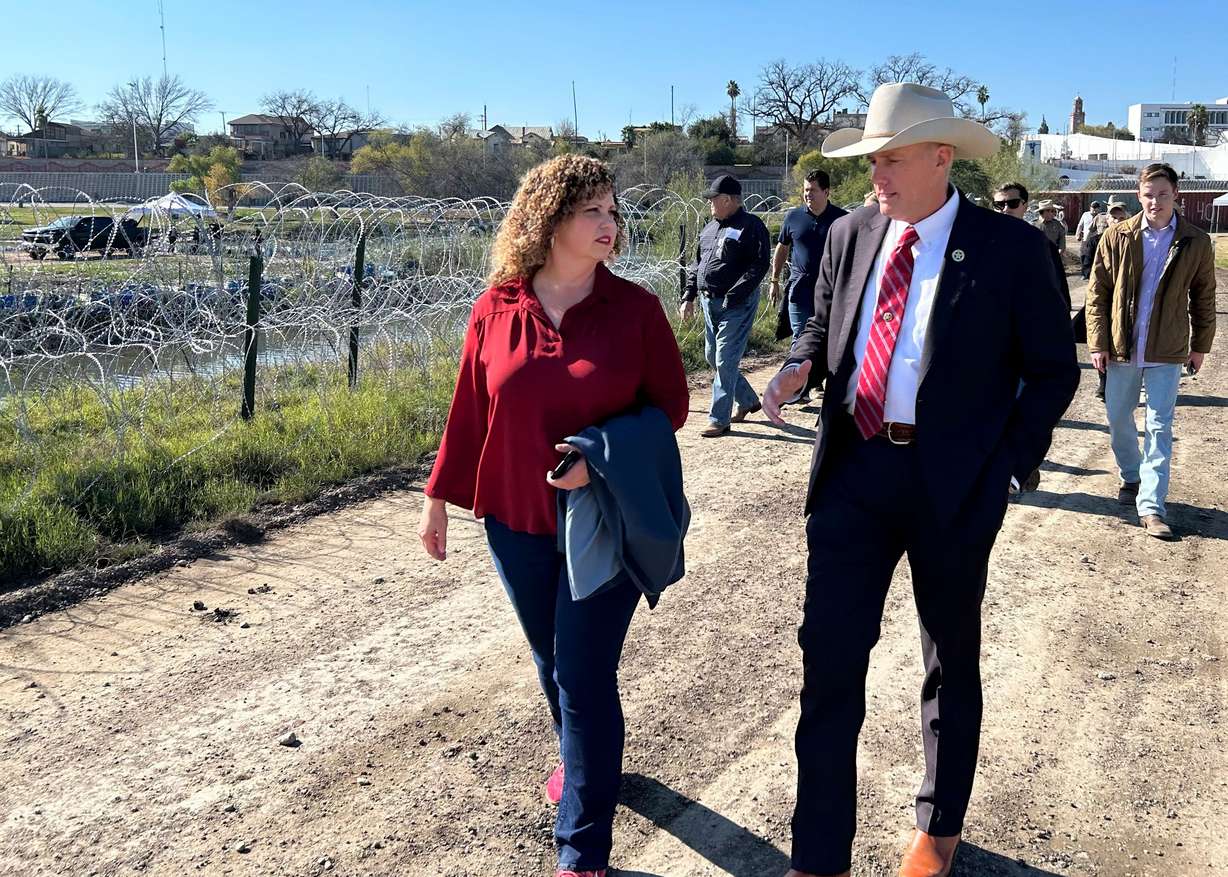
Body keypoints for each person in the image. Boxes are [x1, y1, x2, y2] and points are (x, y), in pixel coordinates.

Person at [762, 83, 1078, 877]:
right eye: (872, 160)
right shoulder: (850, 234)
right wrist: (802, 362)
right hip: (853, 476)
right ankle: (819, 852)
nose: (878, 175)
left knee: (949, 659)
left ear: (942, 157)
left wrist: (1006, 464)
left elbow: (1052, 371)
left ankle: (938, 827)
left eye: (892, 159)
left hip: (952, 487)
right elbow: (822, 317)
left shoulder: (1009, 251)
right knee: (829, 659)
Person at [418, 155, 690, 877]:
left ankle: (582, 850)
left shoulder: (635, 311)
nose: (609, 224)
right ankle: (587, 763)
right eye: (591, 211)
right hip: (513, 520)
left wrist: (597, 456)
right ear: (548, 221)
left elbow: (672, 407)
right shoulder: (496, 307)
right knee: (555, 661)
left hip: (604, 519)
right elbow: (470, 412)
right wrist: (438, 499)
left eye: (612, 210)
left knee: (583, 669)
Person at [1086, 162, 1217, 540]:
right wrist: (1098, 343)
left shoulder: (1195, 241)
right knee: (1118, 419)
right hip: (1122, 347)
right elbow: (1098, 293)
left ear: (1176, 194)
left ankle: (1152, 506)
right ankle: (1131, 475)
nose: (1155, 202)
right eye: (1148, 195)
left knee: (1160, 427)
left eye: (1162, 194)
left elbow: (1204, 296)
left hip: (1168, 349)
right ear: (1138, 195)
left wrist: (1200, 345)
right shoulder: (1118, 236)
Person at [680, 173, 771, 437]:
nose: (710, 203)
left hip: (737, 304)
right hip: (710, 302)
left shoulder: (751, 226)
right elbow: (697, 266)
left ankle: (719, 419)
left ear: (729, 200)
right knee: (713, 356)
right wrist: (689, 296)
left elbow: (759, 265)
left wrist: (736, 293)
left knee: (724, 358)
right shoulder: (709, 228)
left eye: (713, 199)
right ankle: (748, 400)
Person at [771, 170, 849, 403]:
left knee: (827, 337)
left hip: (830, 291)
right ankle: (798, 386)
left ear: (826, 191)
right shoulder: (793, 217)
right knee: (800, 336)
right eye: (805, 190)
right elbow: (782, 248)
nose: (808, 195)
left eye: (813, 190)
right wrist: (774, 280)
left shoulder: (842, 220)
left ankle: (816, 380)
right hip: (799, 287)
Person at [1075, 201, 1103, 280]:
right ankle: (1084, 274)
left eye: (1096, 208)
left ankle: (1092, 274)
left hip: (1095, 240)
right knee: (1083, 255)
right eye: (1092, 207)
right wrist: (1077, 234)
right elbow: (1080, 225)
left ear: (1099, 209)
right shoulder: (1085, 215)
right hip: (1085, 239)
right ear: (1090, 207)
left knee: (1093, 257)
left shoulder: (1100, 216)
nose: (1094, 210)